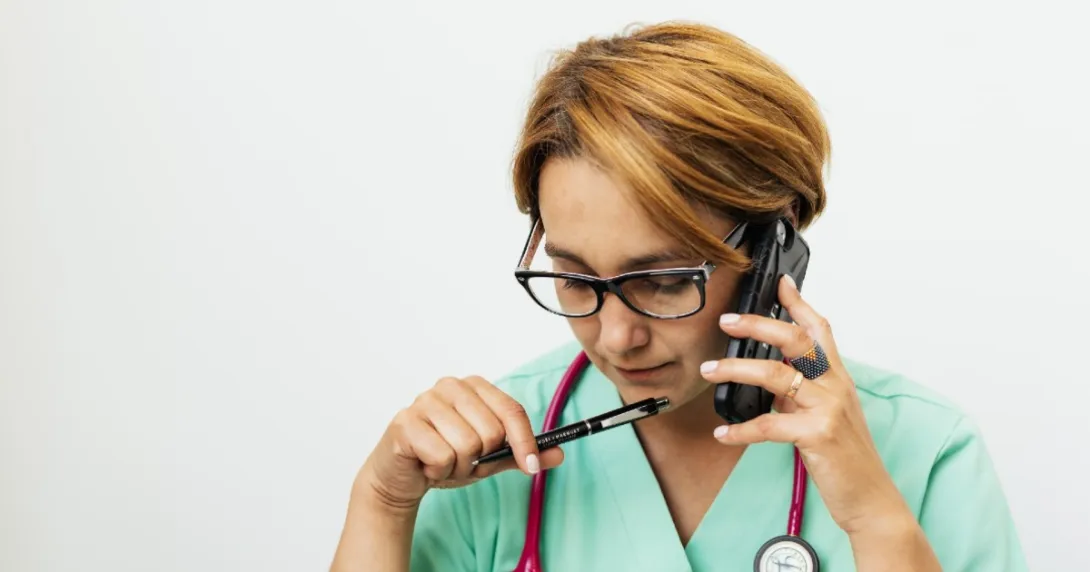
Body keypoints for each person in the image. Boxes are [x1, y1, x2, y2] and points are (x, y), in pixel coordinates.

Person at [330, 21, 1027, 572]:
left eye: (663, 281)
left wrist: (875, 519)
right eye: (575, 278)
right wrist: (383, 501)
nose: (615, 336)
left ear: (771, 251)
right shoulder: (490, 451)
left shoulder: (924, 452)